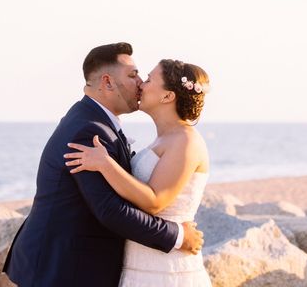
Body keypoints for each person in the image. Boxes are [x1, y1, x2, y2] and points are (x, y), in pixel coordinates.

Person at [2, 42, 204, 287]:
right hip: (63, 269)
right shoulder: (89, 131)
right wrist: (179, 236)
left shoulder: (94, 122)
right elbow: (111, 209)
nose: (140, 82)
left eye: (144, 77)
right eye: (133, 75)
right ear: (108, 82)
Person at [64, 58, 212, 286]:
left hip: (167, 268)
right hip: (141, 261)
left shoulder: (186, 141)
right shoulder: (163, 139)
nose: (141, 83)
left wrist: (106, 164)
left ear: (167, 96)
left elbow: (155, 201)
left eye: (150, 79)